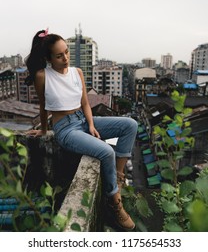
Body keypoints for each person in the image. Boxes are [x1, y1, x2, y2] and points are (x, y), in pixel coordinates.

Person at [25, 28, 138, 231]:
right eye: (59, 56)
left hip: (84, 120)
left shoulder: (77, 72)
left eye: (67, 52)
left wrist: (92, 125)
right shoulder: (43, 76)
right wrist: (43, 130)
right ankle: (115, 203)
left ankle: (118, 179)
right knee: (106, 152)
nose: (65, 58)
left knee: (130, 125)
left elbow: (85, 103)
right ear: (49, 58)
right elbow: (43, 106)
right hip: (65, 129)